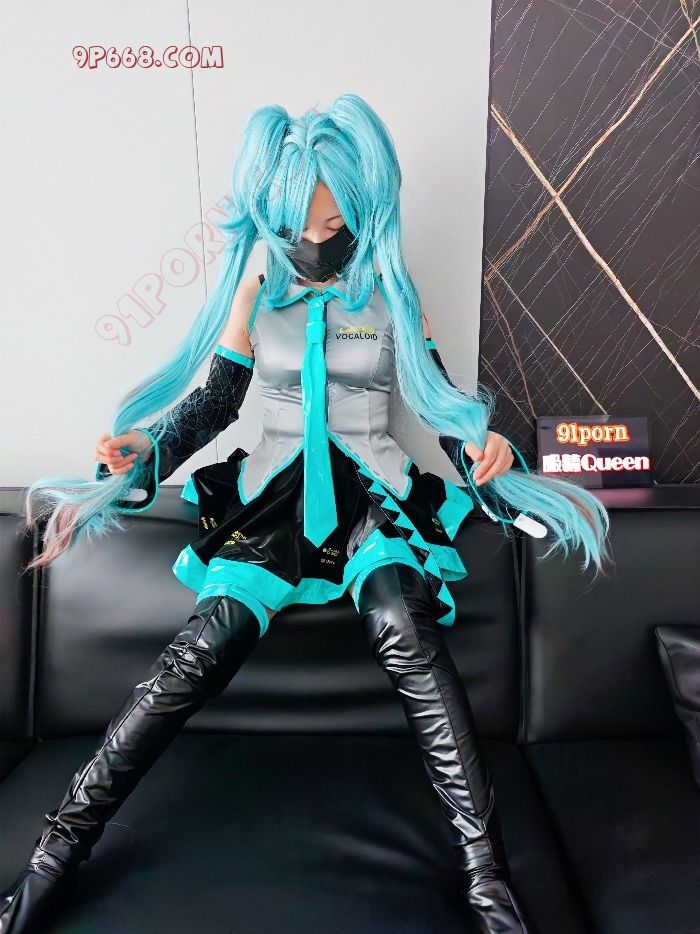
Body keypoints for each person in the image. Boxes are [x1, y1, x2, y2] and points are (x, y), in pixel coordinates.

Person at [2, 94, 611, 934]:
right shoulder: (258, 291)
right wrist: (145, 450)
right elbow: (214, 404)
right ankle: (51, 860)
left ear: (363, 212)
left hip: (374, 494)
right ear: (272, 219)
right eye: (300, 225)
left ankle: (488, 881)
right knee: (200, 648)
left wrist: (484, 451)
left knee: (406, 626)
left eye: (335, 223)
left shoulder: (393, 296)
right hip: (272, 497)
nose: (318, 241)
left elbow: (436, 404)